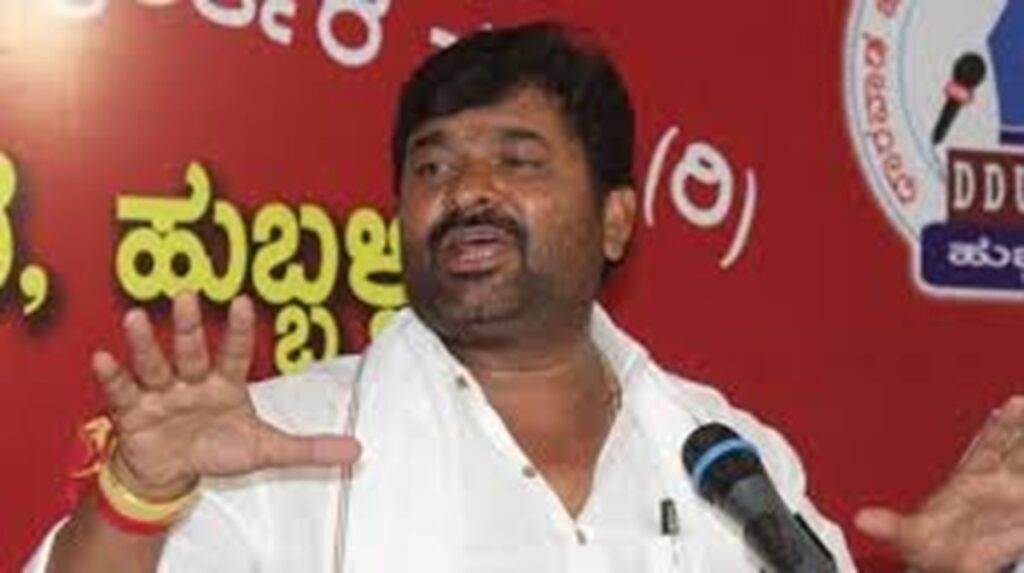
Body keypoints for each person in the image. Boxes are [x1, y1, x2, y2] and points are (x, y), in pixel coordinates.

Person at [26, 21, 1024, 573]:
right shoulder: (284, 443)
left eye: (518, 159)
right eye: (432, 166)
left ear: (617, 219)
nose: (467, 190)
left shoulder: (726, 457)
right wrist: (136, 498)